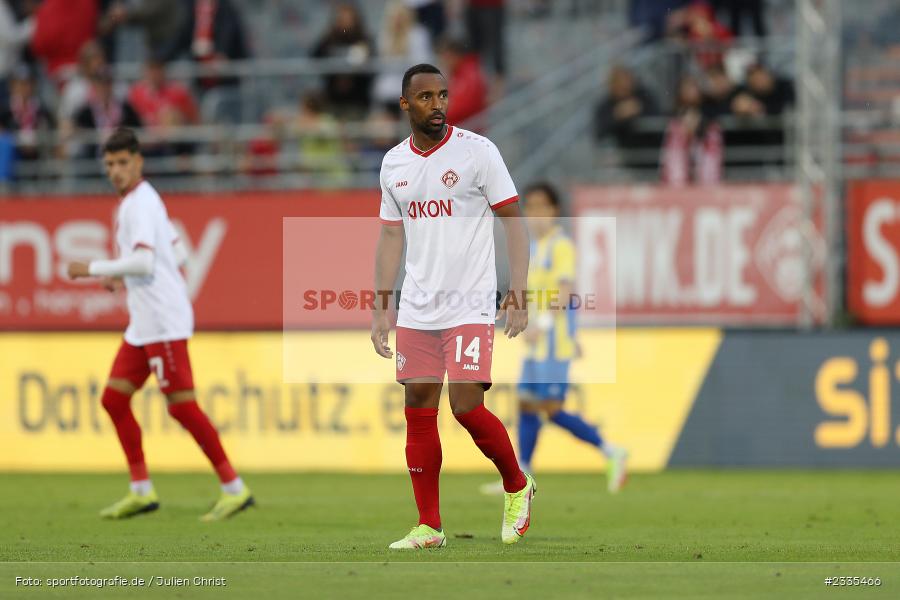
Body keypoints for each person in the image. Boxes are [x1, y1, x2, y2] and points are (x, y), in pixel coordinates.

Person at [372, 63, 534, 549]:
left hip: (469, 301)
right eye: (425, 97)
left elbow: (514, 221)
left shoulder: (478, 152)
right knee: (418, 408)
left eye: (442, 95)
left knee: (465, 406)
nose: (437, 104)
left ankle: (517, 485)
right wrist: (382, 304)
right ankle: (429, 526)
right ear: (406, 104)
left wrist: (519, 288)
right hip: (419, 305)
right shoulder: (393, 164)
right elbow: (388, 236)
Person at [66, 127, 253, 521]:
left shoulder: (138, 203)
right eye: (109, 165)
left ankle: (234, 488)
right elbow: (178, 251)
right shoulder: (146, 201)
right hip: (145, 321)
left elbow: (146, 262)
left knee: (182, 407)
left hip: (163, 322)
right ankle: (141, 490)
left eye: (122, 162)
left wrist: (94, 268)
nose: (115, 171)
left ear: (138, 161)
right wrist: (128, 278)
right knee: (114, 399)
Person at [480, 183, 628, 497]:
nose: (534, 215)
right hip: (535, 344)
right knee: (526, 406)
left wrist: (542, 325)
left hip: (552, 343)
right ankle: (523, 475)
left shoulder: (561, 246)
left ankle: (610, 450)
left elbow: (564, 294)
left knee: (552, 408)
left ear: (554, 211)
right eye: (529, 208)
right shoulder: (532, 248)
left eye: (541, 207)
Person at [312, 3, 374, 119]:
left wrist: (351, 77)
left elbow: (371, 67)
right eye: (342, 18)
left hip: (356, 99)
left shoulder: (363, 40)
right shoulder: (329, 40)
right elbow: (316, 56)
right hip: (333, 98)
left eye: (348, 18)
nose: (346, 22)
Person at [372, 0, 433, 115]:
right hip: (387, 92)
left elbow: (422, 64)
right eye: (394, 17)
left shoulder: (417, 35)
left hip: (410, 90)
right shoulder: (385, 37)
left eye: (400, 16)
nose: (397, 20)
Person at [437, 37, 488, 127]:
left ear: (455, 55)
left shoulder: (470, 74)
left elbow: (461, 108)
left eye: (446, 56)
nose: (443, 61)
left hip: (469, 131)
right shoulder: (456, 74)